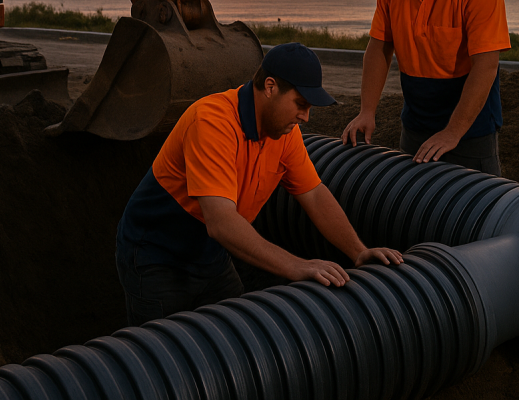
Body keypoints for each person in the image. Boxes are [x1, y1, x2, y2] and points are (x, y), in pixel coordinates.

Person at [116, 42, 403, 324]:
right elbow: (221, 222)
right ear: (270, 87)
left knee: (236, 336)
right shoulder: (212, 123)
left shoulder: (284, 133)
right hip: (157, 254)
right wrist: (296, 266)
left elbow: (314, 194)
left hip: (212, 253)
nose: (305, 116)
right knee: (165, 355)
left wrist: (358, 251)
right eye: (300, 104)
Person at [342, 0, 511, 175]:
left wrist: (453, 132)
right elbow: (379, 48)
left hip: (470, 133)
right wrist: (367, 111)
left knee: (477, 211)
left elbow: (486, 66)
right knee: (415, 209)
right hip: (416, 128)